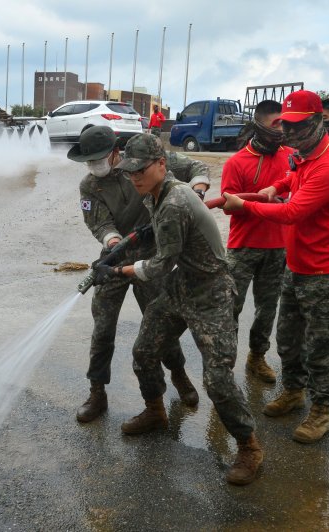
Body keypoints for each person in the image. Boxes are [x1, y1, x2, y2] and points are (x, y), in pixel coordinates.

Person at [103, 133, 262, 486]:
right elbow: (157, 242)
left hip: (211, 291)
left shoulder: (175, 201)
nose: (134, 178)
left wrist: (118, 270)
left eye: (140, 171)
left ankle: (249, 446)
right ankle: (156, 411)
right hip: (181, 286)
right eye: (129, 172)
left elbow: (159, 265)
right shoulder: (156, 194)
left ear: (162, 165)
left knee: (217, 379)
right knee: (144, 351)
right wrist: (123, 245)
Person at [222, 90, 329, 445]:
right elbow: (291, 181)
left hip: (327, 270)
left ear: (318, 122)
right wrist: (273, 186)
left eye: (297, 126)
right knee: (288, 338)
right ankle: (294, 390)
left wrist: (246, 205)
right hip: (297, 264)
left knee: (320, 345)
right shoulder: (305, 154)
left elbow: (292, 212)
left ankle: (321, 410)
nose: (290, 133)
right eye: (286, 125)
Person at [68, 126, 201, 424]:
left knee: (158, 327)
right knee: (102, 329)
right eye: (89, 161)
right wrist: (112, 240)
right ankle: (97, 392)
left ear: (116, 152)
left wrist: (198, 188)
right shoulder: (89, 185)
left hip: (152, 260)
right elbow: (98, 222)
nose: (94, 166)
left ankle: (179, 376)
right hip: (113, 260)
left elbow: (195, 167)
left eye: (99, 159)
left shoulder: (141, 165)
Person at [220, 100, 290, 384]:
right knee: (230, 306)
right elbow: (228, 205)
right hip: (243, 247)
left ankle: (257, 357)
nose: (282, 130)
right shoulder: (237, 162)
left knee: (268, 307)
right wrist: (258, 201)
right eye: (277, 124)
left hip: (278, 246)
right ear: (259, 125)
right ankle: (224, 363)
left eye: (285, 123)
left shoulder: (291, 157)